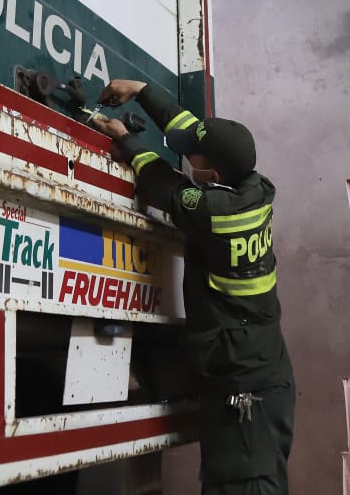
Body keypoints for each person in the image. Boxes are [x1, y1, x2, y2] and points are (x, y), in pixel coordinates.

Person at [89, 79, 294, 495]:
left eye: (193, 157)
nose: (187, 157)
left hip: (245, 396)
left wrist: (126, 139)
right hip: (260, 373)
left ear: (212, 175)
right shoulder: (253, 187)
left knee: (243, 486)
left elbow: (160, 181)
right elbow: (192, 133)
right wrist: (144, 90)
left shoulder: (215, 214)